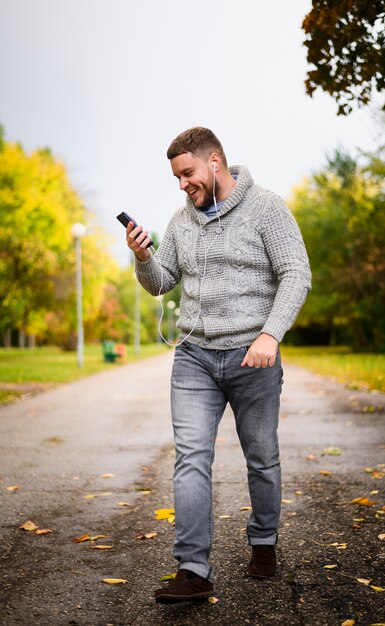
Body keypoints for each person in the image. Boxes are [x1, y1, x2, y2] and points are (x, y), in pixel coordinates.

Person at [126, 127, 311, 603]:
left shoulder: (266, 208)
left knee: (262, 457)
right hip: (195, 358)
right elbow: (162, 282)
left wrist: (271, 334)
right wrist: (144, 256)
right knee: (190, 459)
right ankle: (193, 570)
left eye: (187, 173)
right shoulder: (181, 221)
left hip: (254, 356)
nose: (182, 184)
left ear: (214, 162)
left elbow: (296, 272)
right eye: (176, 177)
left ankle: (264, 541)